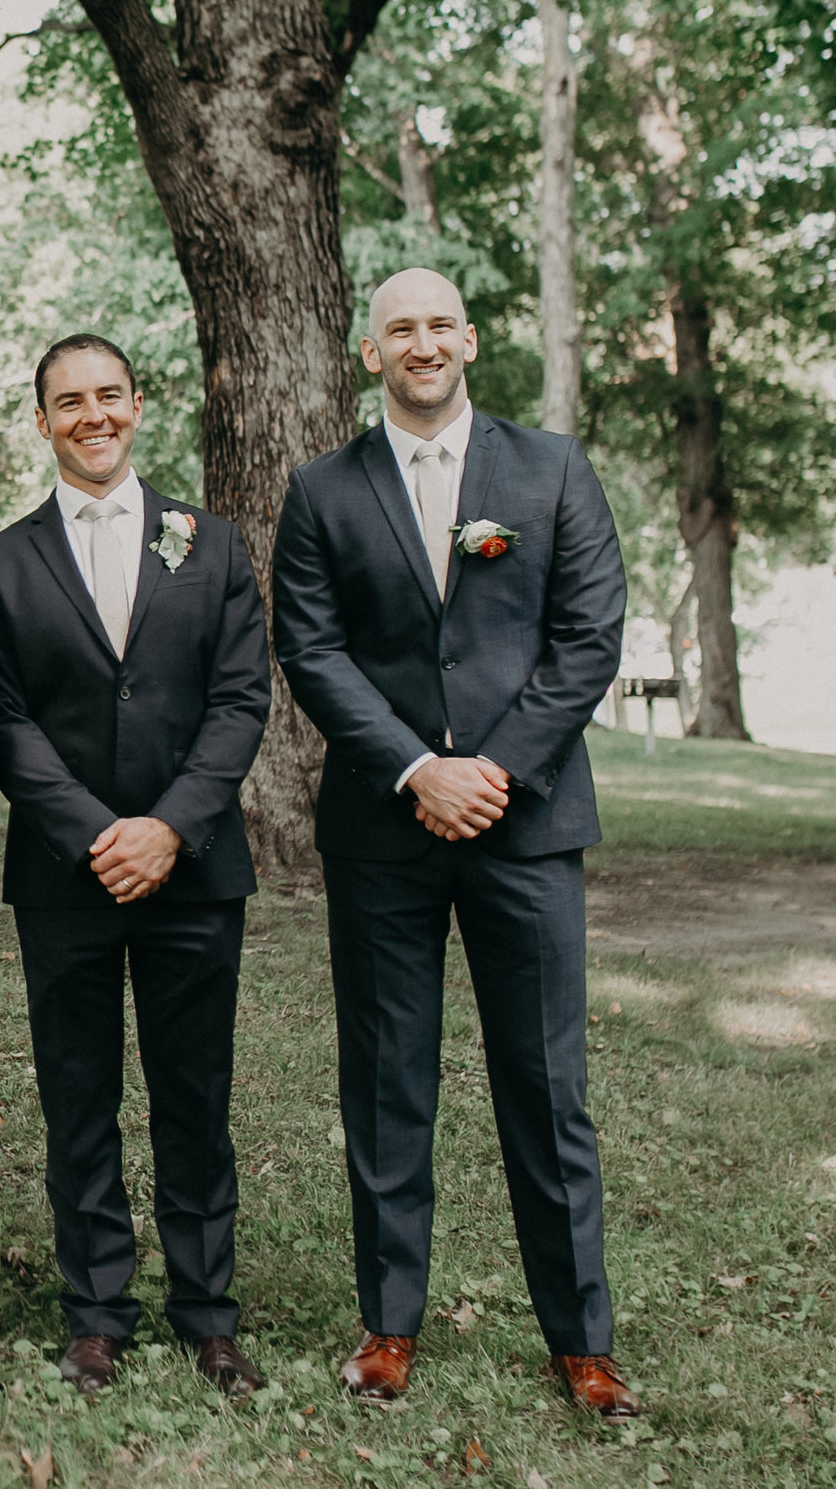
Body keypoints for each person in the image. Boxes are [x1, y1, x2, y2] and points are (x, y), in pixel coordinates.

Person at [271, 267, 637, 1419]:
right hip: (383, 825)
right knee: (386, 1081)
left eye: (439, 324)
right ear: (368, 352)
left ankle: (581, 1340)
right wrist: (415, 766)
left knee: (546, 1082)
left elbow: (587, 636)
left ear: (468, 339)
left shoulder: (550, 469)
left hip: (524, 825)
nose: (421, 343)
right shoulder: (322, 488)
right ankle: (388, 1324)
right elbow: (312, 649)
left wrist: (490, 769)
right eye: (398, 329)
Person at [0, 334, 271, 1397]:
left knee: (195, 1094)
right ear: (42, 418)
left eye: (107, 395)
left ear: (137, 405)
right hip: (66, 872)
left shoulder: (212, 542)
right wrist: (96, 830)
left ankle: (207, 1310)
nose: (90, 415)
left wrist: (169, 827)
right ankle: (96, 1308)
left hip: (192, 871)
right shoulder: (1, 560)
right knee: (78, 1092)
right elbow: (0, 717)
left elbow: (241, 700)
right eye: (67, 401)